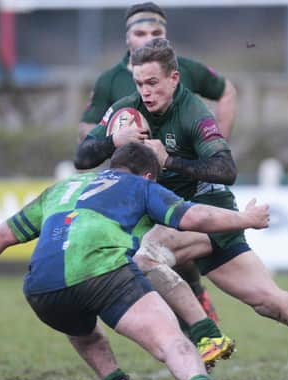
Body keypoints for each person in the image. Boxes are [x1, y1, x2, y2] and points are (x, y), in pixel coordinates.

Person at [75, 38, 288, 380]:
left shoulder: (193, 113)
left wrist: (169, 160)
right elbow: (82, 158)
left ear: (174, 78)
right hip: (181, 220)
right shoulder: (125, 111)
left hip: (210, 215)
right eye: (140, 83)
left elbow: (226, 169)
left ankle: (207, 334)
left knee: (146, 257)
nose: (145, 91)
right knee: (270, 301)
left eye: (153, 83)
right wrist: (112, 141)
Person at [0, 143, 269, 380]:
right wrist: (245, 219)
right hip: (103, 273)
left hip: (42, 289)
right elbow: (194, 216)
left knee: (84, 331)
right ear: (147, 174)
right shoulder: (141, 186)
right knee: (169, 339)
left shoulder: (62, 188)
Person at [78, 0, 236, 339]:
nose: (146, 91)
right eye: (140, 32)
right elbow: (85, 143)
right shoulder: (110, 82)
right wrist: (112, 142)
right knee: (135, 262)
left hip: (178, 185)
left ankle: (196, 330)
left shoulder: (185, 70)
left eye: (156, 32)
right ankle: (193, 327)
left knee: (156, 259)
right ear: (127, 38)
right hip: (131, 187)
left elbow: (226, 92)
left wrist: (217, 143)